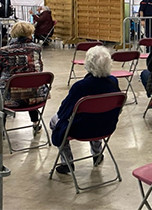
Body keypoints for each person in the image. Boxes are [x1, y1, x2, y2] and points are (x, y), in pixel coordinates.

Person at [50, 46, 121, 174]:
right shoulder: (113, 82)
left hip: (80, 129)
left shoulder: (80, 87)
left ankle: (67, 163)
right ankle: (97, 153)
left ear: (88, 64)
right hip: (106, 126)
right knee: (97, 116)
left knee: (54, 122)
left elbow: (63, 113)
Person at [0, 22, 46, 133]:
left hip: (9, 99)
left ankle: (0, 129)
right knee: (28, 84)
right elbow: (39, 69)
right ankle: (35, 122)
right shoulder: (36, 49)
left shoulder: (4, 51)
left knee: (4, 92)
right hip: (35, 97)